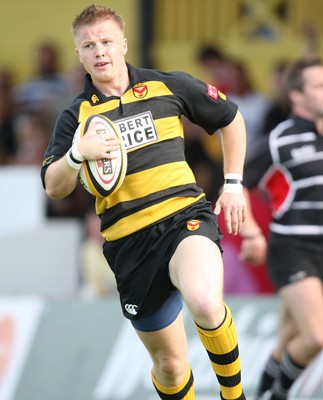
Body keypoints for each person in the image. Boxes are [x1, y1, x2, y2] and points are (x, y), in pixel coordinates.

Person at [41, 5, 248, 399]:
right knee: (170, 367)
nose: (99, 51)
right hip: (129, 244)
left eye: (105, 41)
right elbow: (54, 186)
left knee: (204, 300)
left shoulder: (165, 85)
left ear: (123, 43)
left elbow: (230, 118)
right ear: (79, 55)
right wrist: (76, 154)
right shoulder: (75, 118)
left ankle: (235, 396)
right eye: (89, 45)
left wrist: (233, 184)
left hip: (183, 217)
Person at [239, 57, 323, 400]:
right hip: (293, 249)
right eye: (319, 87)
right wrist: (251, 232)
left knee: (288, 339)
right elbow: (236, 185)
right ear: (297, 96)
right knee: (316, 338)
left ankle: (261, 395)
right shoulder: (280, 139)